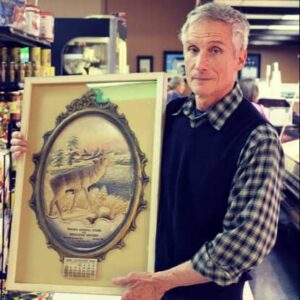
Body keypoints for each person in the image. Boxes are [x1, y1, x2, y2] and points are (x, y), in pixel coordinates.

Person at [11, 3, 284, 300]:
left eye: (215, 50)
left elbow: (246, 243)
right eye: (193, 49)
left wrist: (164, 281)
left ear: (240, 57)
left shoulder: (257, 138)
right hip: (145, 288)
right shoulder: (168, 115)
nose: (200, 63)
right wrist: (37, 150)